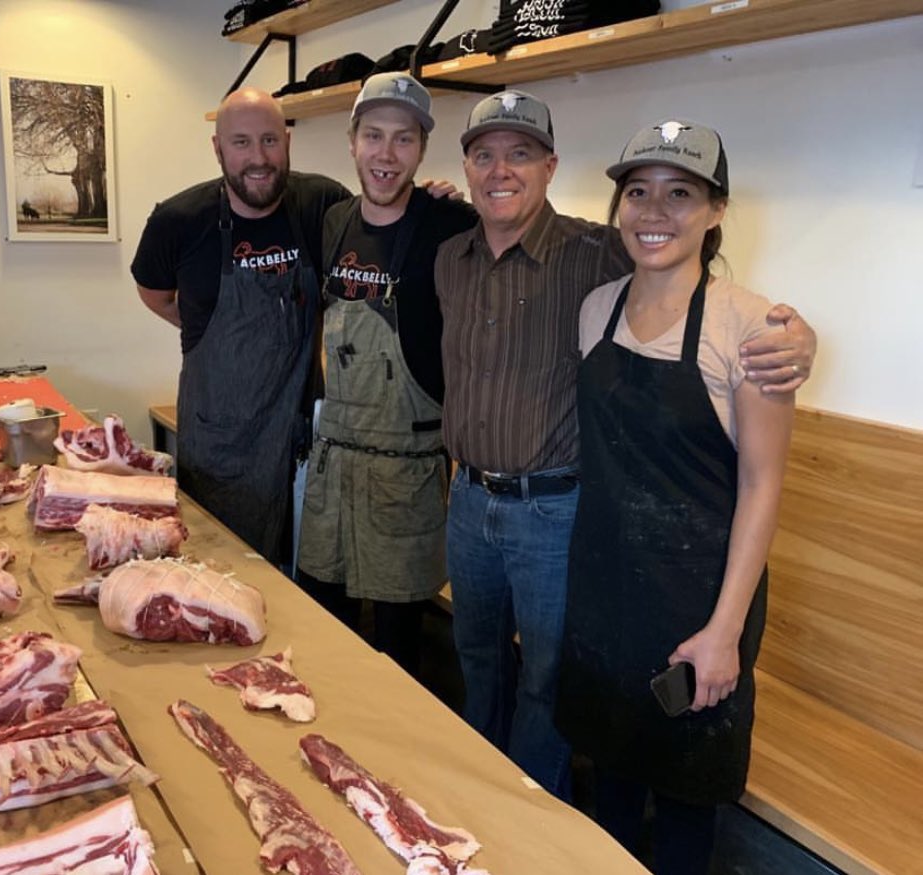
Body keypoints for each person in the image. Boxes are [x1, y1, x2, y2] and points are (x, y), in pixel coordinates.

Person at [433, 92, 815, 799]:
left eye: (520, 154)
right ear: (465, 167)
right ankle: (470, 803)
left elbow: (679, 263)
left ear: (550, 167)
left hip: (554, 511)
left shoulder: (595, 253)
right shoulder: (449, 254)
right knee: (477, 656)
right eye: (484, 154)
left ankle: (532, 814)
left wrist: (795, 337)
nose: (500, 170)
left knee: (547, 681)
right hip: (467, 499)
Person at [554, 120, 793, 875]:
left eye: (679, 193)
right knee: (610, 777)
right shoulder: (596, 308)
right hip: (603, 591)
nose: (653, 211)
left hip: (698, 603)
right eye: (637, 192)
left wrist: (724, 631)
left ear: (715, 210)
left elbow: (762, 485)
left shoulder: (750, 326)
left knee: (687, 800)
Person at [295, 73, 475, 676]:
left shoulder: (451, 225)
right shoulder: (333, 222)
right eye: (373, 135)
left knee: (398, 654)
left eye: (404, 139)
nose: (386, 154)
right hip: (333, 467)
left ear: (422, 150)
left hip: (407, 474)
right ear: (352, 141)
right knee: (325, 634)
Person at [131, 88, 349, 565]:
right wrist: (207, 328)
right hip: (220, 444)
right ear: (218, 148)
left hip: (302, 437)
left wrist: (430, 202)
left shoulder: (322, 203)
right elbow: (154, 295)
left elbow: (380, 232)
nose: (258, 158)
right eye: (241, 142)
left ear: (287, 141)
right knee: (223, 575)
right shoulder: (178, 221)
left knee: (305, 578)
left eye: (269, 140)